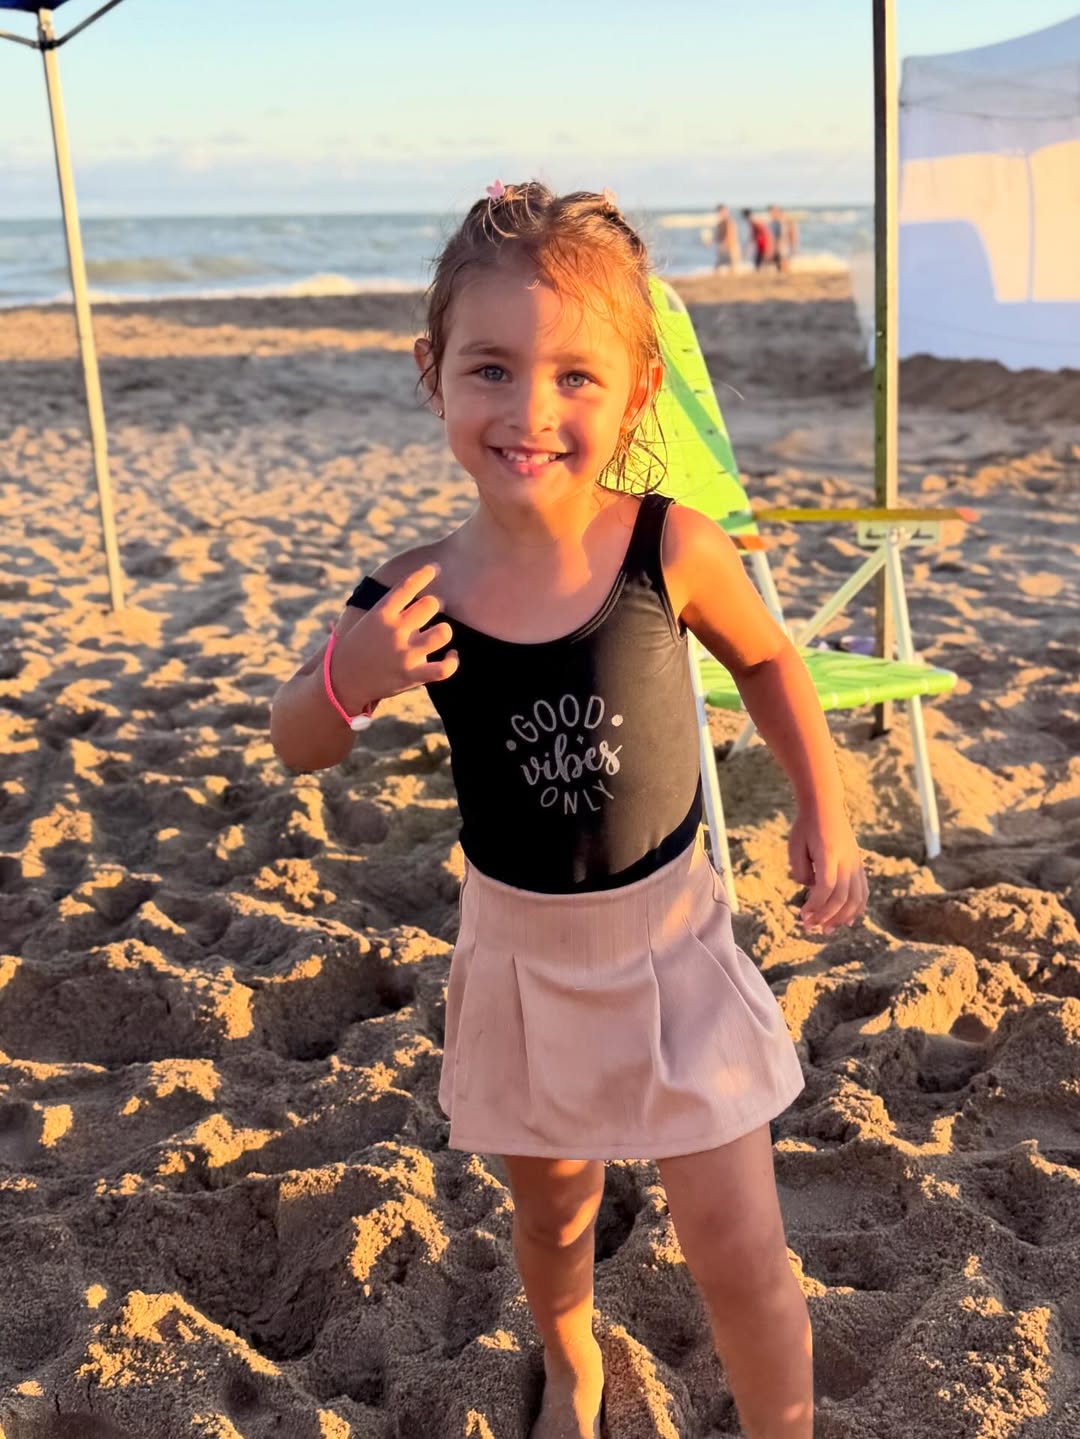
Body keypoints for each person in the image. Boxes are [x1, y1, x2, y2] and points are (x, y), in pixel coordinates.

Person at [271, 180, 867, 1439]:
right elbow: (298, 743)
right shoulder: (412, 589)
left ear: (635, 393)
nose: (530, 410)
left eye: (575, 378)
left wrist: (824, 802)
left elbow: (767, 659)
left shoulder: (670, 546)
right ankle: (574, 1354)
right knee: (551, 1212)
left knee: (742, 1246)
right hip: (522, 955)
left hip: (674, 947)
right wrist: (350, 675)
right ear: (434, 375)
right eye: (491, 368)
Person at [743, 207, 774, 271]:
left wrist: (768, 243)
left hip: (763, 242)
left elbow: (763, 232)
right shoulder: (753, 220)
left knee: (761, 260)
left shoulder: (753, 221)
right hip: (762, 242)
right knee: (761, 260)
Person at [713, 201, 740, 270]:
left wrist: (723, 244)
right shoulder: (720, 223)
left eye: (723, 211)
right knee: (718, 266)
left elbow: (730, 235)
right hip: (724, 249)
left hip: (731, 249)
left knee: (733, 268)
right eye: (720, 211)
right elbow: (717, 236)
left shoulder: (729, 222)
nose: (721, 213)